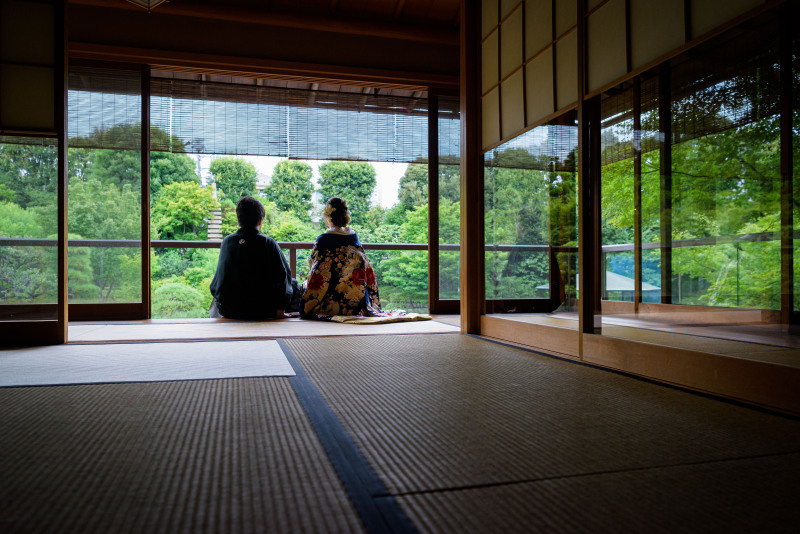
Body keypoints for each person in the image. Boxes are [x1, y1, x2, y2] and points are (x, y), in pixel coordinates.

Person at [209, 196, 301, 319]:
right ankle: (281, 314)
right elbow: (284, 277)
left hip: (228, 310)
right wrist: (279, 310)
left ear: (238, 219)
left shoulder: (227, 241)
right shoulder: (267, 242)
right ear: (261, 220)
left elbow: (218, 280)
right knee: (293, 283)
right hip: (261, 310)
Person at [300, 196, 390, 320]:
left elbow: (315, 270)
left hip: (327, 304)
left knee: (302, 286)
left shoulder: (323, 240)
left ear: (328, 216)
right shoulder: (353, 238)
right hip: (354, 304)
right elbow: (367, 270)